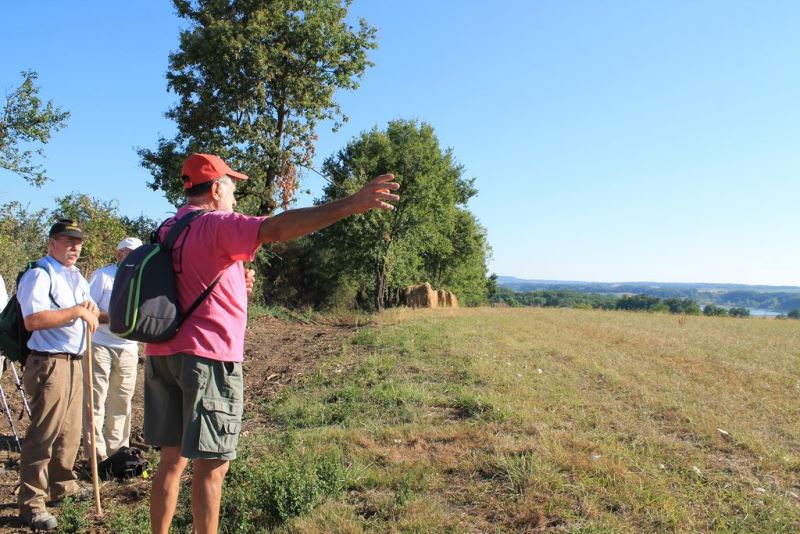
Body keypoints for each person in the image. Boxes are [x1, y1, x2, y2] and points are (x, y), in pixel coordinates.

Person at [145, 153, 399, 534]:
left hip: (162, 355)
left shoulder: (168, 227)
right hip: (208, 359)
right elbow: (277, 229)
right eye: (231, 187)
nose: (235, 198)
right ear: (215, 189)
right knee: (211, 465)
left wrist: (234, 282)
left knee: (170, 461)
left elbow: (185, 282)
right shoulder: (216, 223)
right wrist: (351, 204)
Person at [16, 218, 99, 530]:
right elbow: (33, 320)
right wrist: (77, 312)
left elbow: (85, 310)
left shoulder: (76, 276)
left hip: (74, 360)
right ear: (52, 243)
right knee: (44, 434)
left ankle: (63, 487)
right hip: (49, 363)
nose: (74, 246)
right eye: (67, 240)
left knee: (69, 431)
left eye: (77, 241)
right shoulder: (39, 274)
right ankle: (31, 503)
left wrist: (91, 308)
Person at [83, 237, 143, 464]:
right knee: (95, 400)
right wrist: (120, 319)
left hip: (128, 347)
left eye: (137, 253)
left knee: (122, 401)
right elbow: (89, 310)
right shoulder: (103, 276)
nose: (134, 256)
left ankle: (118, 452)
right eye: (129, 252)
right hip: (100, 344)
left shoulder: (140, 278)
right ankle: (95, 454)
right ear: (119, 254)